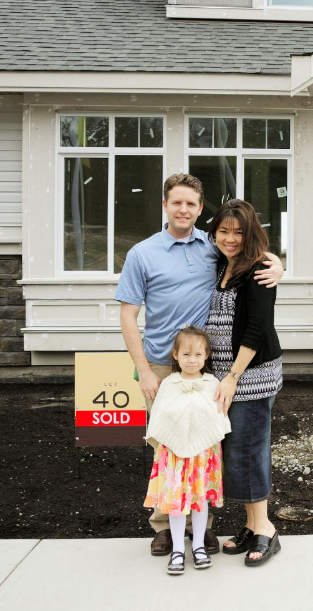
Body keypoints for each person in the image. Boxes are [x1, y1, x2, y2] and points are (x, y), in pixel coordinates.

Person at [115, 173, 283, 557]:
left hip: (209, 367)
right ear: (165, 205)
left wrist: (278, 266)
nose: (184, 209)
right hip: (161, 364)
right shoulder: (143, 253)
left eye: (191, 203)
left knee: (209, 444)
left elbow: (250, 251)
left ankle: (203, 525)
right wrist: (142, 370)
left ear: (198, 208)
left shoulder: (210, 247)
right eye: (177, 202)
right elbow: (128, 317)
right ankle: (164, 526)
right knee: (167, 448)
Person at [206, 200, 284, 566]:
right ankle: (252, 524)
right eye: (224, 231)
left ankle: (265, 528)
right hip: (226, 376)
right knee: (236, 451)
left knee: (249, 450)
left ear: (250, 232)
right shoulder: (223, 264)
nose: (231, 238)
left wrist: (234, 377)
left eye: (238, 232)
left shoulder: (259, 269)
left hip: (249, 376)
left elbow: (256, 329)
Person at [144, 327, 230, 575]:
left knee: (200, 500)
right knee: (176, 502)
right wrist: (168, 442)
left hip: (203, 456)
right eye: (186, 354)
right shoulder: (169, 383)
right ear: (175, 355)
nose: (192, 360)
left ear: (206, 356)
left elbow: (217, 417)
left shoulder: (212, 383)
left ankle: (200, 546)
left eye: (198, 354)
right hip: (174, 456)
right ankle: (179, 549)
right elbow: (160, 416)